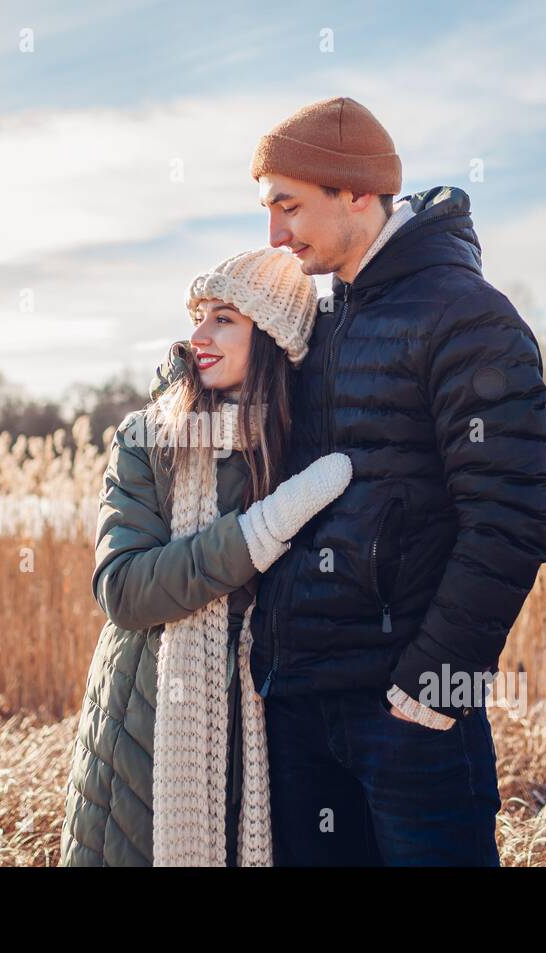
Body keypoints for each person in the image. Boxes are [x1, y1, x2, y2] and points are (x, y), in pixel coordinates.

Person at [246, 96, 546, 865]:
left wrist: (436, 684)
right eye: (267, 209)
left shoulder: (467, 317)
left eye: (289, 206)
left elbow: (510, 519)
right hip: (300, 704)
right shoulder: (315, 323)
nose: (275, 233)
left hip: (407, 713)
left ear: (356, 193)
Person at [59, 246, 353, 866]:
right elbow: (126, 590)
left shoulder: (299, 447)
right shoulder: (151, 437)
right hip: (145, 723)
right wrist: (259, 531)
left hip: (269, 729)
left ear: (273, 337)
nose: (199, 335)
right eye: (199, 315)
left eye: (224, 318)